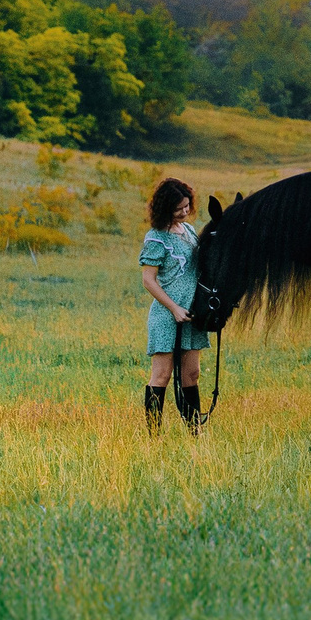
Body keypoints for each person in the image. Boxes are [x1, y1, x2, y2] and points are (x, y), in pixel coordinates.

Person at [139, 177, 207, 435]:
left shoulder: (189, 232)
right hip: (167, 316)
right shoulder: (156, 238)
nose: (185, 212)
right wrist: (174, 308)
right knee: (162, 376)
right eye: (179, 208)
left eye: (187, 206)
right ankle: (153, 436)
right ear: (165, 208)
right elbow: (148, 280)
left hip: (192, 315)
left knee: (192, 375)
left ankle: (194, 433)